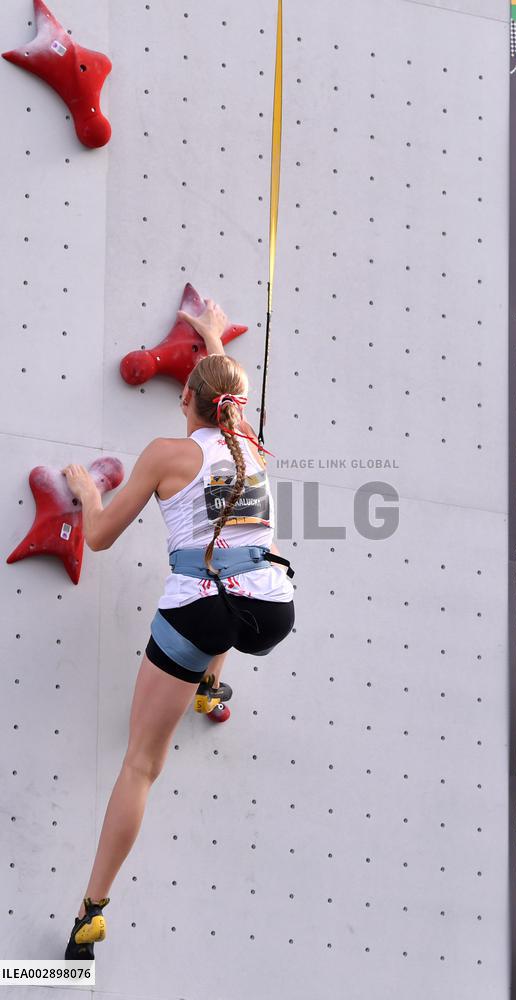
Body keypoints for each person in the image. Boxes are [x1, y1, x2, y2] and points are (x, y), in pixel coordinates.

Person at [60, 298, 295, 960]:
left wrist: (86, 492)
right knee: (234, 590)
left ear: (185, 397)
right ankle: (211, 692)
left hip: (202, 609)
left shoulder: (167, 454)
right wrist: (214, 337)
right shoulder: (250, 442)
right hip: (272, 610)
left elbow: (102, 537)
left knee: (141, 762)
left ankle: (90, 913)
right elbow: (229, 392)